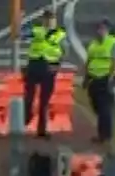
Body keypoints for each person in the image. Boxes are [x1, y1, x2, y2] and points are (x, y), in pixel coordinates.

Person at [23, 10, 67, 138]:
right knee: (29, 96)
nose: (49, 23)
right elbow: (22, 34)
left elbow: (65, 50)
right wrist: (22, 20)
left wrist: (58, 64)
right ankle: (27, 115)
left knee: (44, 101)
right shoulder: (37, 30)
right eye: (47, 20)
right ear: (43, 20)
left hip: (49, 68)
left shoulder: (60, 34)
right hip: (34, 65)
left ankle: (41, 130)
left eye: (51, 20)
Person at [82, 19, 115, 144]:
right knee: (97, 107)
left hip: (106, 78)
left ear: (108, 30)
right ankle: (103, 134)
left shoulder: (113, 43)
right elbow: (88, 62)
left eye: (103, 29)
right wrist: (86, 78)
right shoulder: (93, 45)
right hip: (94, 79)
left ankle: (105, 135)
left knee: (105, 109)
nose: (100, 31)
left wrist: (114, 74)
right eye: (98, 29)